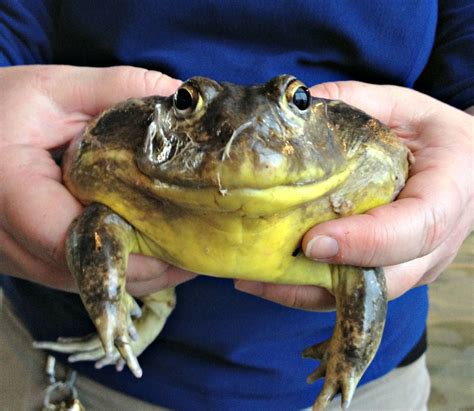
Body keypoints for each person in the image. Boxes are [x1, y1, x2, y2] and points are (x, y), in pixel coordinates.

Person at [0, 1, 472, 410]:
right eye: (186, 102)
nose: (246, 149)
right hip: (64, 356)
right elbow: (96, 227)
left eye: (299, 100)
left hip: (376, 381)